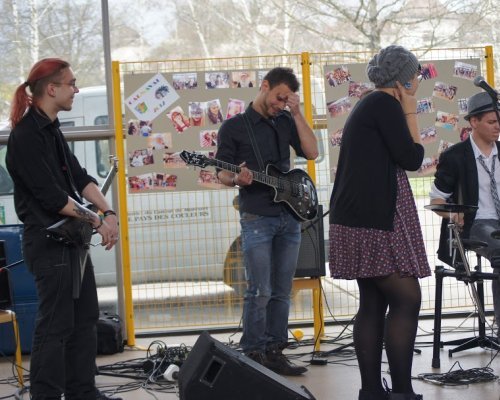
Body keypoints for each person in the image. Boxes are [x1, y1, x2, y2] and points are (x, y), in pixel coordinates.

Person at [6, 58, 120, 400]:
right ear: (52, 88)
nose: (76, 89)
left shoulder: (52, 130)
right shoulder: (26, 137)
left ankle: (82, 391)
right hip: (48, 244)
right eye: (71, 83)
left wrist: (108, 211)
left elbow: (80, 178)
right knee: (56, 326)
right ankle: (45, 395)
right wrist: (97, 221)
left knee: (85, 319)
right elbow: (54, 198)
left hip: (72, 242)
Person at [328, 45, 430, 400]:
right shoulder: (385, 105)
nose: (419, 80)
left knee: (373, 301)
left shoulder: (369, 104)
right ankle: (402, 391)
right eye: (416, 75)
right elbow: (412, 157)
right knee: (407, 299)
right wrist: (410, 108)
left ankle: (372, 391)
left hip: (357, 216)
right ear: (405, 79)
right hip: (372, 218)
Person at [215, 67, 318, 376]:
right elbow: (222, 173)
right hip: (257, 216)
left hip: (289, 216)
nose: (280, 104)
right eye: (278, 97)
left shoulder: (286, 120)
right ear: (264, 86)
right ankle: (253, 354)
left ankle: (275, 352)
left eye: (287, 100)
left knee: (282, 291)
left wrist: (297, 113)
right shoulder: (234, 127)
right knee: (259, 290)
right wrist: (237, 179)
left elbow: (312, 152)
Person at [430, 91, 500, 339]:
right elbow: (437, 201)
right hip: (475, 222)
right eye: (492, 122)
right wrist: (453, 216)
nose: (498, 127)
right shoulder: (455, 156)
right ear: (474, 122)